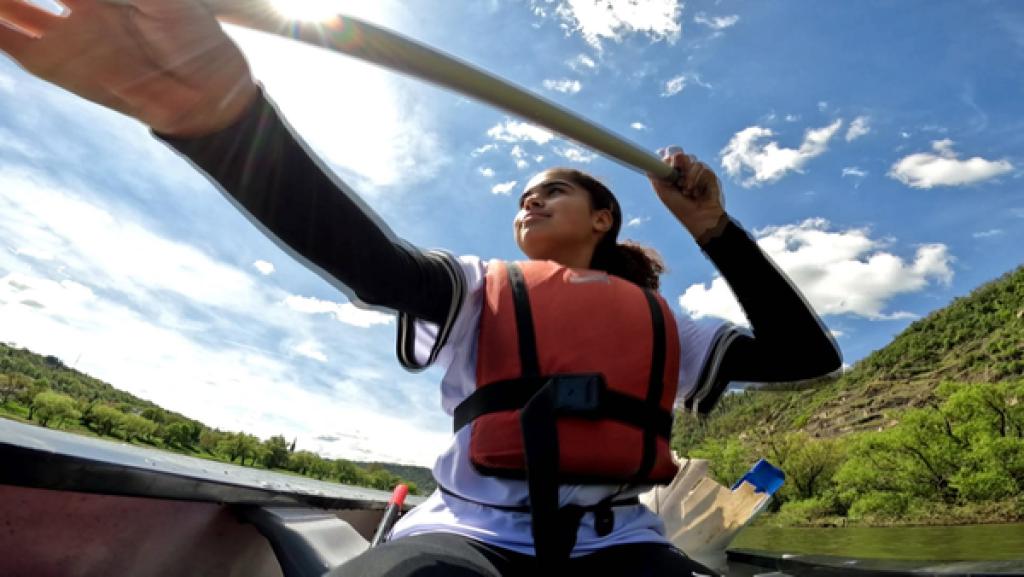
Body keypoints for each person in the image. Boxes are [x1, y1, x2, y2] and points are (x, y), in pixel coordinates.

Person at [0, 2, 842, 575]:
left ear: (604, 217)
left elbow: (808, 356)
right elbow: (368, 260)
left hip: (617, 542)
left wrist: (716, 230)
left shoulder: (671, 327)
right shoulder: (480, 287)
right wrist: (221, 119)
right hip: (466, 535)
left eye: (554, 190)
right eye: (523, 196)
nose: (531, 200)